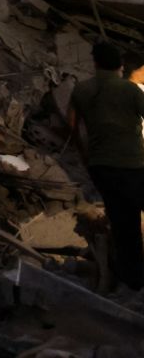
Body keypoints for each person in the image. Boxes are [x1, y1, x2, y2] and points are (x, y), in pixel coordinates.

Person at [69, 41, 144, 290]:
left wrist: (85, 155)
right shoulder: (131, 91)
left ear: (96, 63)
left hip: (101, 166)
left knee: (123, 221)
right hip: (132, 163)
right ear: (120, 66)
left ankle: (130, 277)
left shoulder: (81, 90)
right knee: (132, 218)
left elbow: (71, 126)